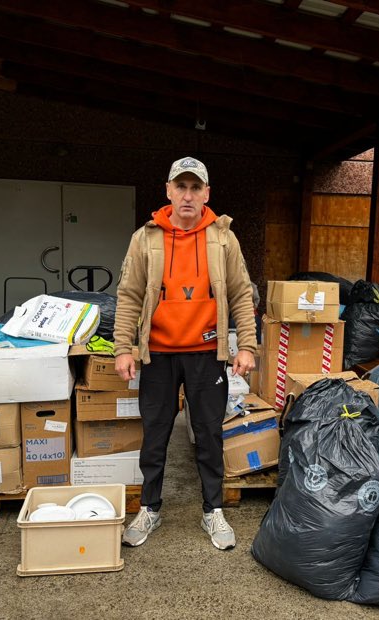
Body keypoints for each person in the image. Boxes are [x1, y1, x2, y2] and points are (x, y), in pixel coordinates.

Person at [114, 156, 257, 550]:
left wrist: (246, 344)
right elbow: (128, 296)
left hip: (207, 353)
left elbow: (242, 293)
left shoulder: (223, 237)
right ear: (168, 191)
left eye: (196, 188)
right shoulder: (145, 238)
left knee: (209, 434)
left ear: (207, 193)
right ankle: (150, 507)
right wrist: (123, 348)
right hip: (157, 353)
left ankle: (213, 510)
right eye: (182, 187)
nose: (188, 195)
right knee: (155, 433)